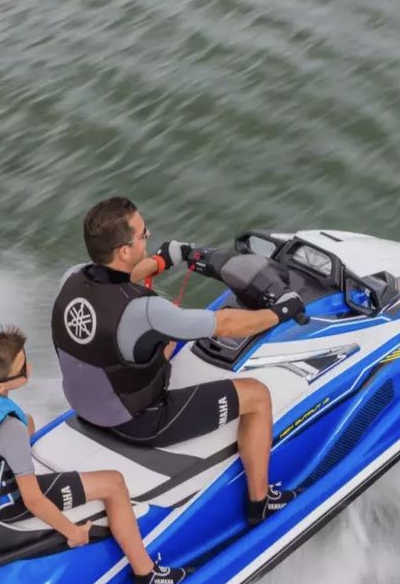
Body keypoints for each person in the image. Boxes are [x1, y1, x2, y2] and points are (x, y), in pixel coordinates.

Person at [51, 196, 307, 525]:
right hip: (137, 423)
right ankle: (260, 502)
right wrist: (278, 312)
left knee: (163, 341)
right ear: (124, 251)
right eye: (143, 234)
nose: (148, 237)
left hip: (84, 405)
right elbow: (225, 324)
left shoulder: (71, 279)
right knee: (256, 396)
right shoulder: (147, 311)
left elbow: (113, 283)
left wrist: (160, 261)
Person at [0, 326, 188, 584]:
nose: (29, 367)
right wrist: (73, 533)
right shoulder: (8, 430)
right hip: (5, 505)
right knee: (113, 483)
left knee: (27, 421)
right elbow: (33, 500)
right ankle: (146, 574)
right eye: (22, 367)